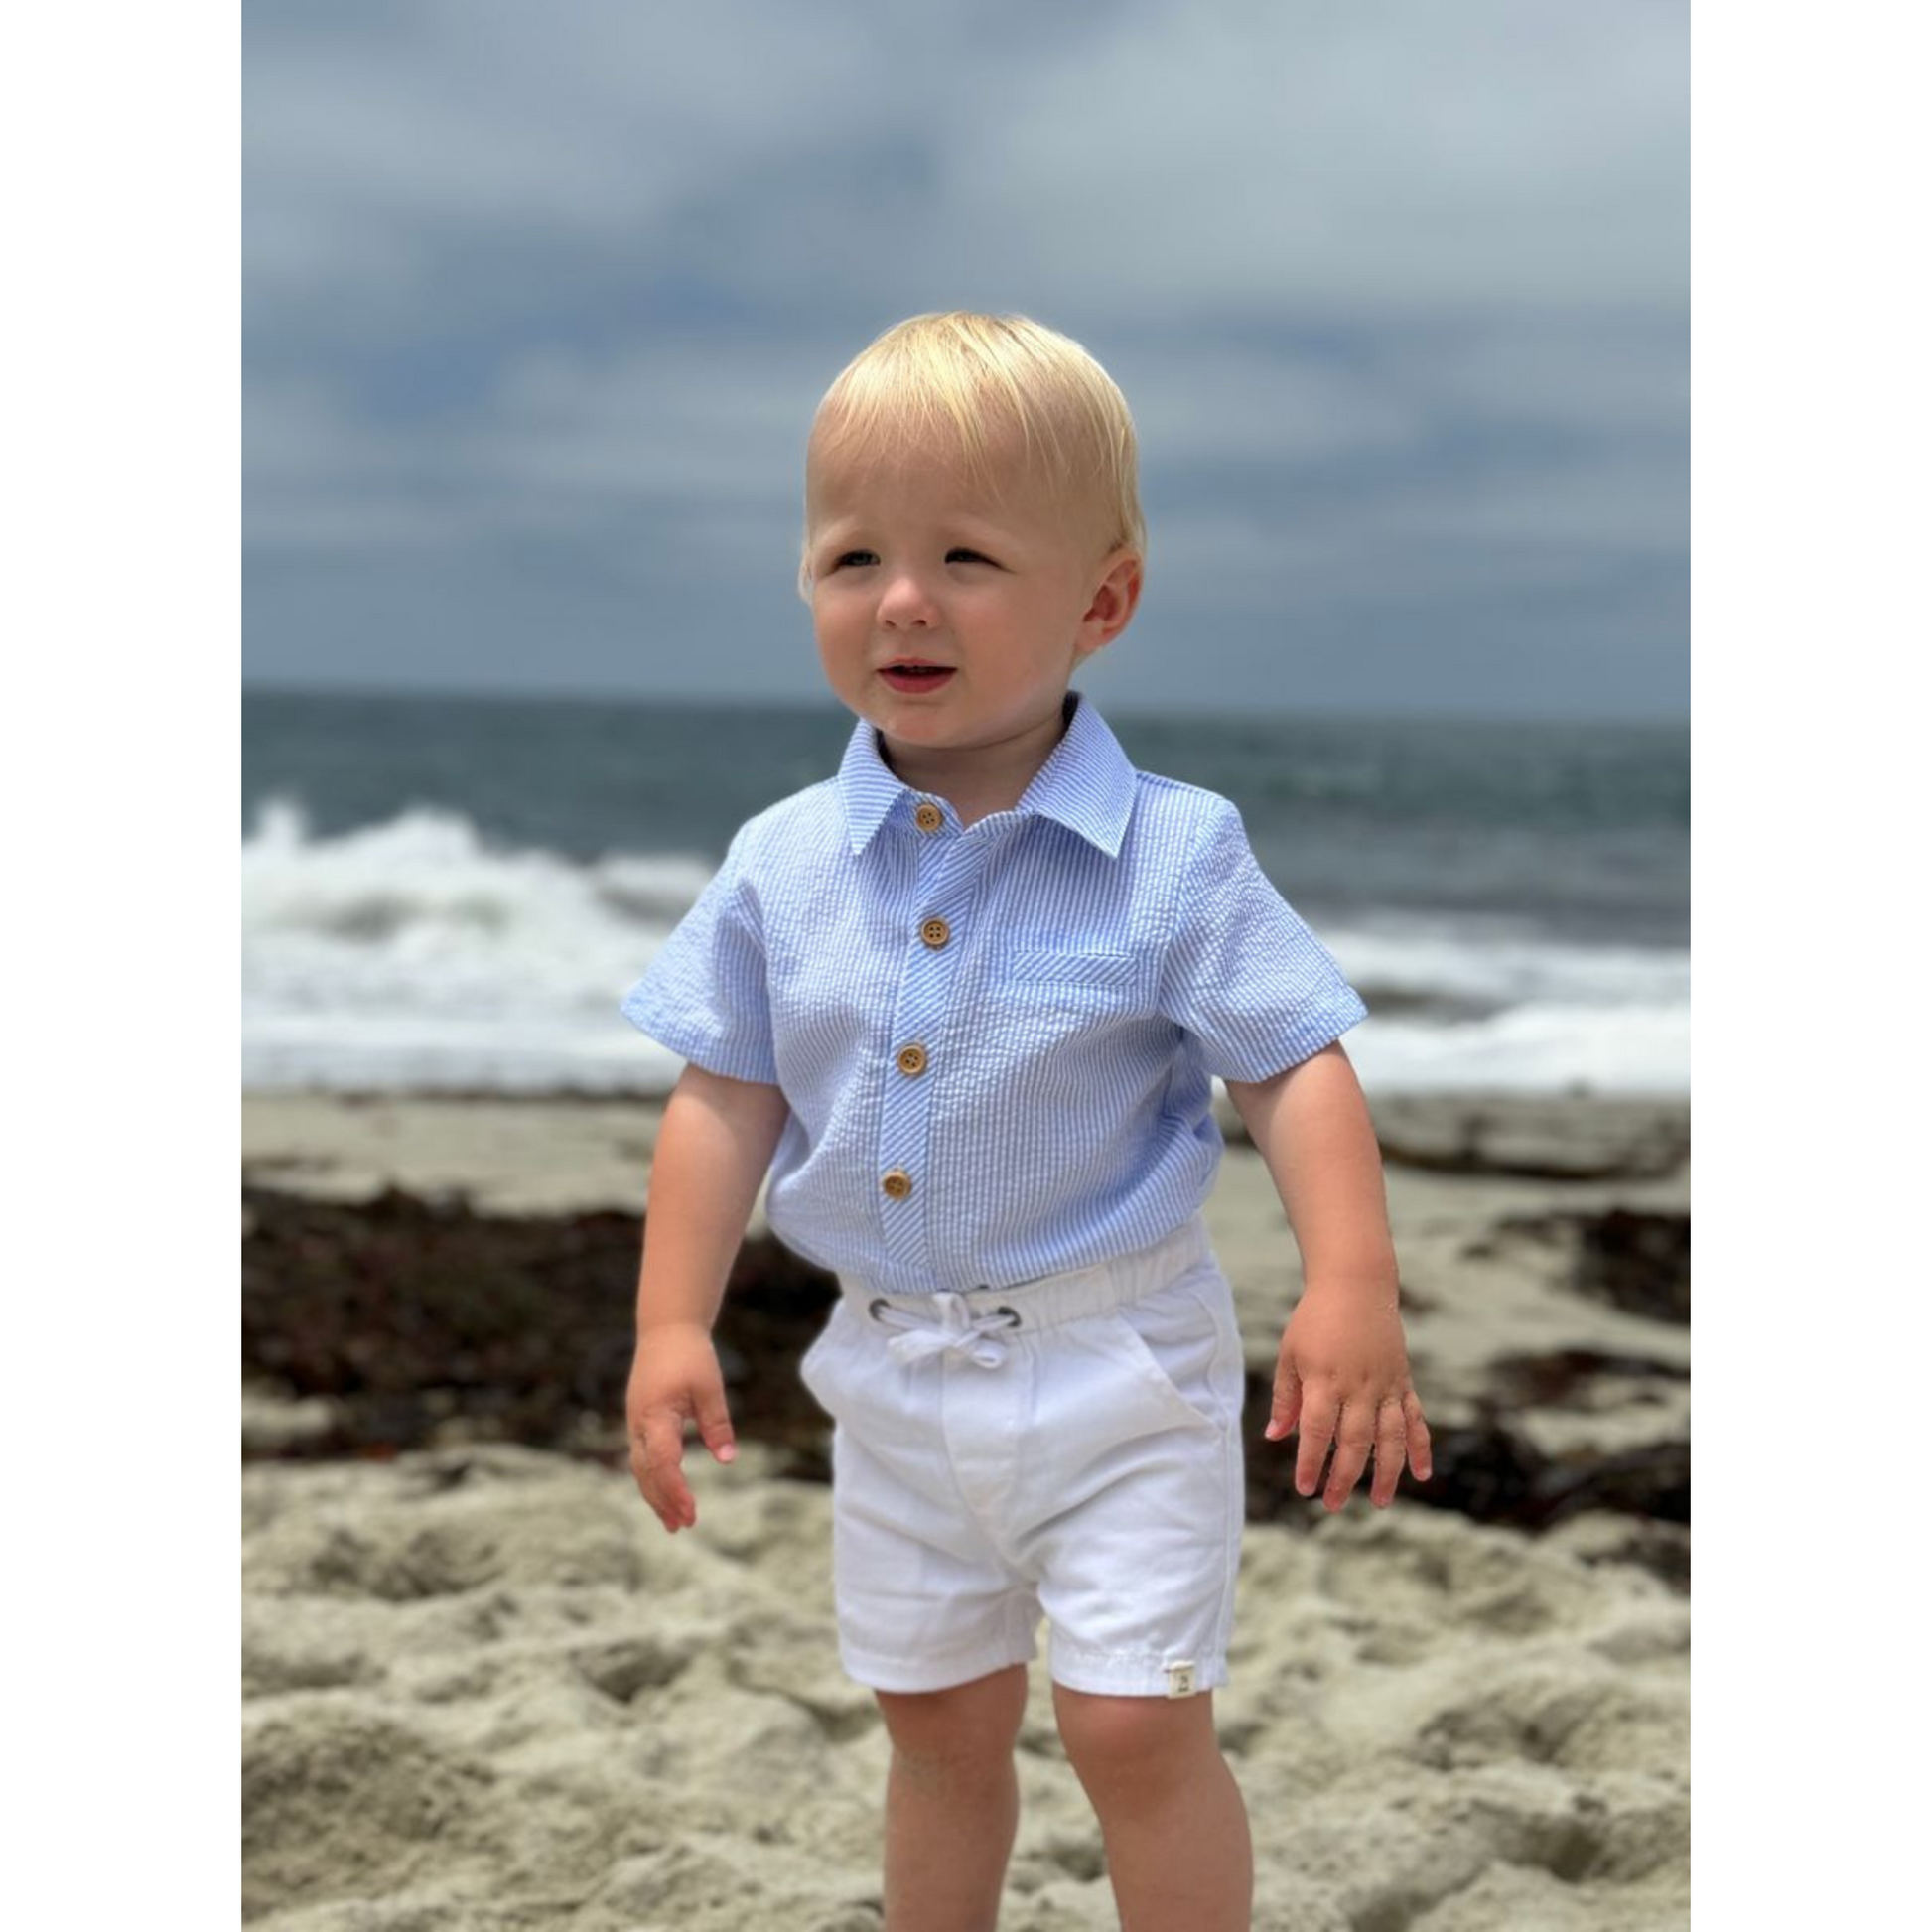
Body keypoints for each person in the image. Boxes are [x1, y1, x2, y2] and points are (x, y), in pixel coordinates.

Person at [620, 311, 1431, 1932]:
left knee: (1131, 1726)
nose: (901, 598)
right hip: (888, 1370)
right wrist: (668, 1321)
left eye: (967, 557)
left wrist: (1348, 1283)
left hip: (1116, 1368)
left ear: (1100, 602)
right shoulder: (783, 859)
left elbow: (1291, 1061)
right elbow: (724, 1090)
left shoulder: (1174, 854)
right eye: (853, 556)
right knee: (933, 1722)